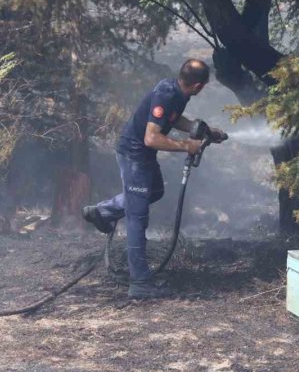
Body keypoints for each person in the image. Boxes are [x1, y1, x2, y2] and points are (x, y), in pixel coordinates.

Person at [82, 59, 224, 299]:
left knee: (155, 191)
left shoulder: (178, 92)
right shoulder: (167, 95)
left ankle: (103, 212)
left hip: (144, 157)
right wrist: (186, 145)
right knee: (137, 217)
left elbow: (172, 117)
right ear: (198, 86)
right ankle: (140, 283)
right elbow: (151, 137)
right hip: (135, 155)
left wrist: (198, 128)